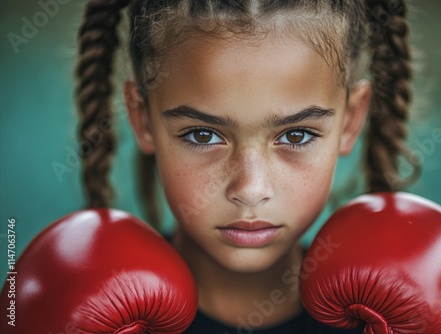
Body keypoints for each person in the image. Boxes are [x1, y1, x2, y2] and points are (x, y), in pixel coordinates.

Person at [74, 0, 415, 332]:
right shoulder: (86, 314)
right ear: (142, 118)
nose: (251, 190)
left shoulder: (389, 320)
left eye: (296, 135)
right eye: (203, 135)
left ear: (351, 119)